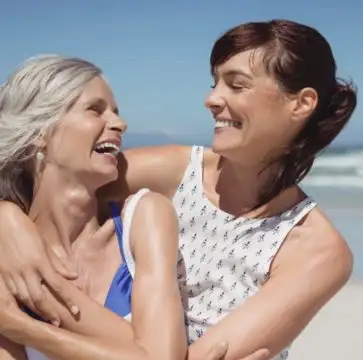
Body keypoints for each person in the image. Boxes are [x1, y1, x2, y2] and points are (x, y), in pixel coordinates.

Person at [0, 19, 356, 359]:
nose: (211, 99)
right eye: (214, 82)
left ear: (301, 103)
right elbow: (50, 176)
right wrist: (8, 218)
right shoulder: (172, 171)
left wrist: (28, 325)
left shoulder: (316, 249)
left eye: (236, 84)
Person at [0, 55, 267, 360]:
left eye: (115, 112)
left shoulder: (143, 217)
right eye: (95, 110)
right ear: (39, 133)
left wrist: (24, 328)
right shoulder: (7, 253)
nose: (120, 124)